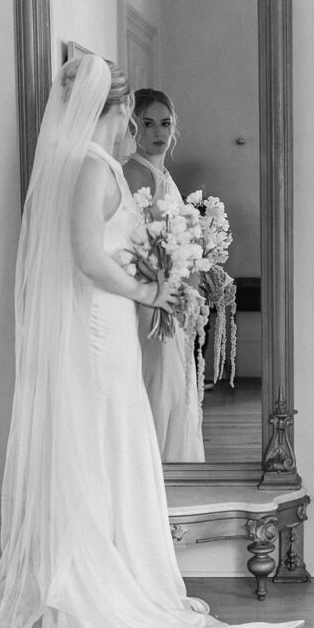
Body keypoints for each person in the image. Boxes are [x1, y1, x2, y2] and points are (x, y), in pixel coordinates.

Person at [0, 55, 314, 628]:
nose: (134, 124)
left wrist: (156, 286)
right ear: (111, 111)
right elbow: (86, 258)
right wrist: (152, 292)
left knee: (119, 438)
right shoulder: (89, 166)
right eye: (127, 109)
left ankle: (125, 572)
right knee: (102, 437)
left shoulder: (99, 166)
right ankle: (96, 580)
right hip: (99, 326)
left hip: (111, 323)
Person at [122, 88, 204, 463]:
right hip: (153, 298)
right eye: (148, 123)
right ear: (133, 126)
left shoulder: (162, 172)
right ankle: (157, 473)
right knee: (161, 386)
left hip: (171, 294)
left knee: (175, 386)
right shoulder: (135, 171)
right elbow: (132, 241)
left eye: (165, 123)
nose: (158, 132)